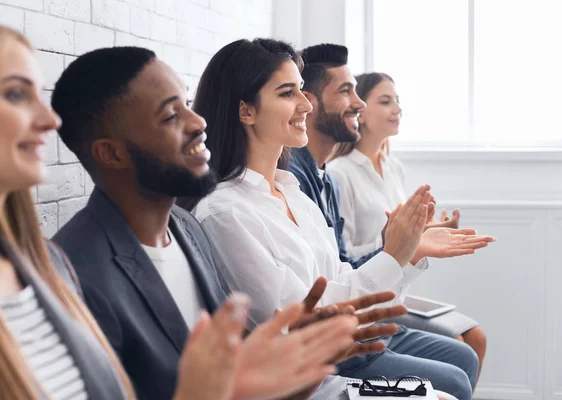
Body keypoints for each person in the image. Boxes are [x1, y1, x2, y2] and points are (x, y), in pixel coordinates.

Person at [50, 45, 406, 400]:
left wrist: (304, 362)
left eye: (187, 104)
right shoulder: (78, 271)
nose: (198, 122)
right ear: (111, 153)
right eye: (170, 115)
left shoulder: (185, 227)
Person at [0, 18, 279, 400]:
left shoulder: (46, 264)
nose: (49, 120)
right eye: (15, 94)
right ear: (110, 153)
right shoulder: (78, 268)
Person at [186, 38, 493, 400]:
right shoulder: (226, 212)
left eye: (302, 90)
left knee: (456, 372)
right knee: (449, 389)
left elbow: (342, 279)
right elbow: (298, 326)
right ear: (246, 111)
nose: (305, 104)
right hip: (309, 378)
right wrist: (394, 255)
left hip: (342, 352)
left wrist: (406, 255)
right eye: (288, 93)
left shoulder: (291, 192)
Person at [327, 71, 488, 378]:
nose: (397, 109)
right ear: (360, 112)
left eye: (397, 101)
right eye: (385, 101)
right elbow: (341, 256)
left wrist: (423, 233)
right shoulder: (340, 173)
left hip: (396, 289)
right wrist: (396, 244)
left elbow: (401, 241)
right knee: (460, 347)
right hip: (367, 300)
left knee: (475, 339)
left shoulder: (394, 168)